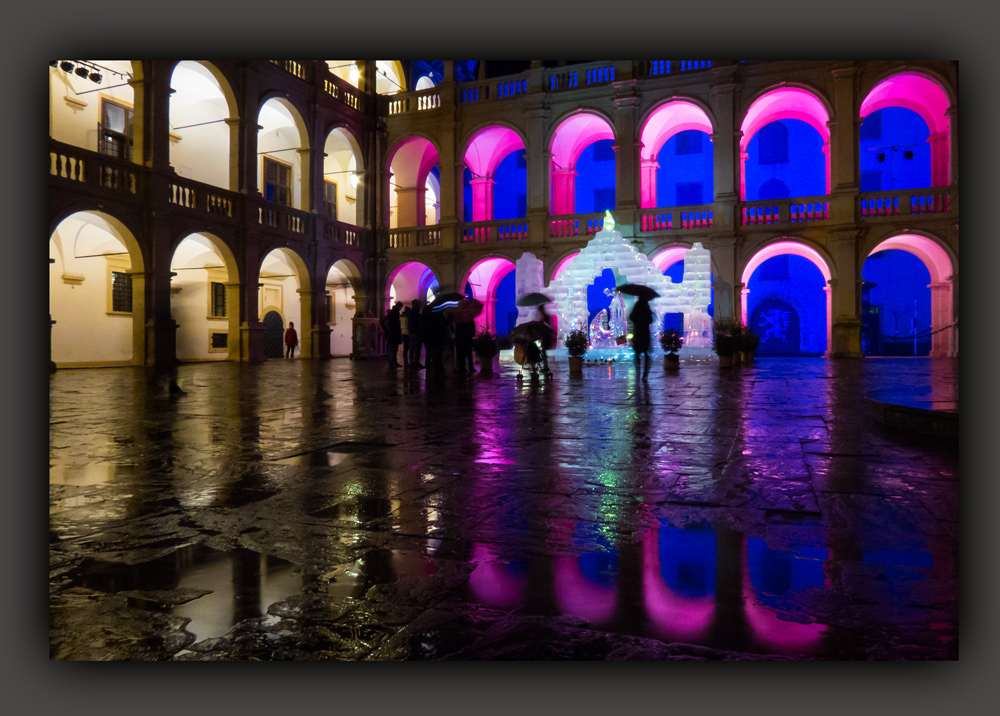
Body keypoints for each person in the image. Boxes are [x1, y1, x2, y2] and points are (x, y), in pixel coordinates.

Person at [629, 297, 654, 376]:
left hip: (637, 332)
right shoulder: (647, 307)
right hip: (645, 332)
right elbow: (650, 320)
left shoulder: (637, 306)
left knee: (637, 353)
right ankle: (645, 372)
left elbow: (631, 317)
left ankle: (638, 371)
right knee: (646, 353)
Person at [382, 302, 403, 367]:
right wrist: (387, 329)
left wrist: (387, 330)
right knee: (394, 348)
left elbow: (384, 321)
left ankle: (392, 362)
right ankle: (393, 362)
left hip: (392, 332)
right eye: (401, 307)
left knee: (392, 348)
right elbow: (395, 324)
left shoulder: (391, 312)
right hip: (394, 333)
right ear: (399, 306)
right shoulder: (395, 313)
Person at [536, 303, 554, 375]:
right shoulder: (544, 317)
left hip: (547, 337)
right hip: (545, 337)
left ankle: (546, 366)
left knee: (543, 351)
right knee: (543, 352)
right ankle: (545, 366)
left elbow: (547, 326)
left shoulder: (546, 317)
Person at [408, 299, 424, 368]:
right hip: (417, 332)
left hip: (411, 332)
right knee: (417, 348)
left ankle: (411, 362)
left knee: (412, 348)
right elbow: (419, 323)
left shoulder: (410, 313)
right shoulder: (417, 314)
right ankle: (416, 362)